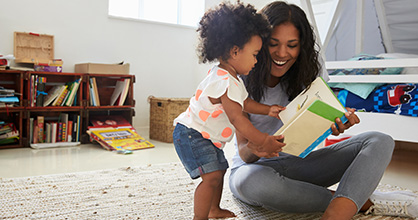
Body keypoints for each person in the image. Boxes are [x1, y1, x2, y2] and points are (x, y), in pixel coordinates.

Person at [229, 1, 418, 220]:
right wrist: (260, 146)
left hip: (301, 165)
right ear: (259, 43)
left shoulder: (310, 67)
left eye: (292, 45)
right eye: (273, 43)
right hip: (255, 169)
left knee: (380, 141)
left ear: (302, 46)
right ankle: (361, 201)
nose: (282, 53)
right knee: (250, 183)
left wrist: (335, 125)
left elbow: (317, 123)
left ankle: (337, 213)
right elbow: (244, 152)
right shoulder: (239, 75)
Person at [172, 2, 285, 220]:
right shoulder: (224, 81)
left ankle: (214, 209)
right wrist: (263, 140)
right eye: (254, 54)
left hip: (204, 136)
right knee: (211, 177)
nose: (256, 60)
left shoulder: (230, 78)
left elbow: (245, 104)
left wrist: (268, 110)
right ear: (235, 51)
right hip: (192, 135)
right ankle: (200, 217)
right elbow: (238, 119)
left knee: (220, 170)